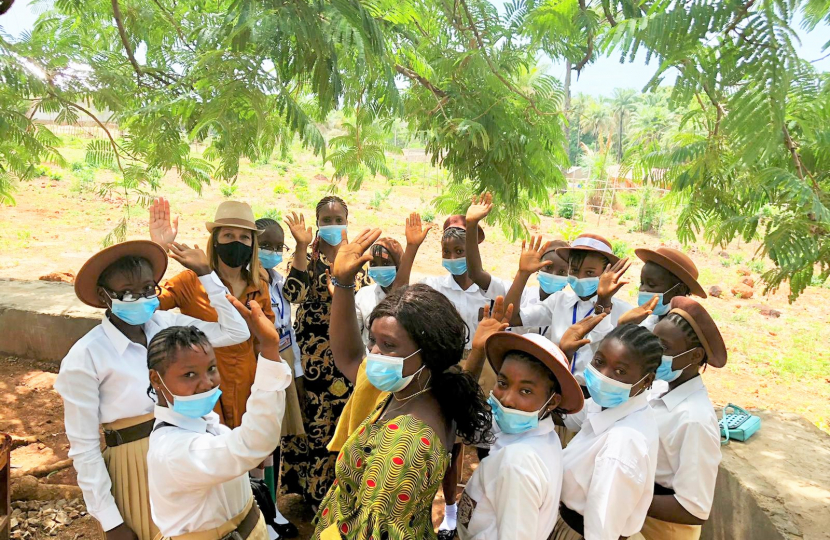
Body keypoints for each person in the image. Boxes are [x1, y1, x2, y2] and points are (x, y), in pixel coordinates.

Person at [54, 240, 251, 540]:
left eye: (148, 289)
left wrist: (205, 274)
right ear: (104, 296)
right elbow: (84, 449)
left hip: (188, 447)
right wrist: (111, 522)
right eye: (128, 293)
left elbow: (235, 332)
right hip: (136, 465)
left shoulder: (166, 325)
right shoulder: (86, 357)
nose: (142, 298)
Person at [311, 228, 494, 540]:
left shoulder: (406, 444)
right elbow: (352, 356)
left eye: (389, 344)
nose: (376, 353)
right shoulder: (426, 388)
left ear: (429, 352)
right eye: (374, 341)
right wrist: (343, 285)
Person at [146, 297, 291, 540]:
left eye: (211, 368)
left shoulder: (204, 421)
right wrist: (268, 349)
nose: (207, 383)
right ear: (156, 379)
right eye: (189, 374)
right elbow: (252, 444)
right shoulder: (173, 449)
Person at [149, 198, 276, 429]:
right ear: (215, 241)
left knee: (245, 451)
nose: (236, 243)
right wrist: (158, 249)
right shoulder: (190, 281)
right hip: (203, 383)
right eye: (228, 236)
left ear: (252, 244)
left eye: (244, 237)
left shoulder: (259, 287)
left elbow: (264, 342)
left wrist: (266, 385)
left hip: (248, 381)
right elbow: (149, 304)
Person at [419, 214, 508, 538]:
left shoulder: (491, 287)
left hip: (484, 368)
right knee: (452, 445)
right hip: (450, 368)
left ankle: (490, 503)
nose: (454, 258)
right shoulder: (433, 287)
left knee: (487, 441)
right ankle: (451, 510)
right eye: (448, 252)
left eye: (460, 251)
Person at [280, 196, 371, 507]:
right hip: (313, 357)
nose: (333, 225)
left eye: (338, 219)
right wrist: (301, 248)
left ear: (347, 220)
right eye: (327, 219)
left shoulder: (359, 260)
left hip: (348, 353)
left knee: (348, 419)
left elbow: (367, 304)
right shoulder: (309, 258)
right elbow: (293, 294)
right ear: (317, 223)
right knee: (316, 421)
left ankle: (346, 492)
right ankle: (317, 495)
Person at [456, 329, 584, 540]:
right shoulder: (541, 435)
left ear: (552, 402)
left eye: (526, 391)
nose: (507, 399)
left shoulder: (517, 463)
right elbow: (470, 424)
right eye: (503, 383)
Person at [550, 324, 662, 540]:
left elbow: (601, 531)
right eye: (599, 362)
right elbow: (570, 416)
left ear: (646, 381)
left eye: (620, 371)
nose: (603, 375)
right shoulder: (609, 405)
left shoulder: (621, 446)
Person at [633, 297, 726, 540]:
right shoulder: (657, 388)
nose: (653, 354)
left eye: (663, 348)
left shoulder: (695, 420)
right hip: (637, 515)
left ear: (694, 356)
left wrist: (626, 494)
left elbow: (693, 508)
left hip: (662, 529)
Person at [504, 234, 633, 388]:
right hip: (556, 384)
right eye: (574, 270)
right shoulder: (559, 301)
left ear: (606, 272)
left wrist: (603, 301)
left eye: (590, 273)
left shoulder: (622, 310)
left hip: (591, 392)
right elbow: (511, 318)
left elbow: (602, 346)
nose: (579, 277)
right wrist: (522, 274)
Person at [255, 217, 305, 538]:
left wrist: (301, 246)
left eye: (278, 246)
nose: (272, 252)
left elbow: (296, 295)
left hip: (282, 358)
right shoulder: (250, 281)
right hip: (258, 363)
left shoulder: (277, 279)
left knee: (274, 437)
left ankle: (270, 506)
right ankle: (261, 513)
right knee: (259, 437)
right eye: (266, 246)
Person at [463, 193, 569, 335]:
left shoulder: (569, 307)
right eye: (548, 267)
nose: (554, 275)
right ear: (538, 268)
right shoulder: (519, 293)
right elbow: (476, 274)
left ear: (570, 276)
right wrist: (471, 225)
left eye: (562, 272)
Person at [355, 213, 433, 346]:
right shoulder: (363, 295)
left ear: (398, 263)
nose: (379, 268)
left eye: (386, 264)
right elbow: (355, 334)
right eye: (374, 264)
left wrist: (412, 247)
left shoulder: (415, 298)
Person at [618, 247, 707, 330]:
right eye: (642, 283)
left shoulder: (676, 331)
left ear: (679, 290)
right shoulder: (652, 318)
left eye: (651, 285)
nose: (642, 289)